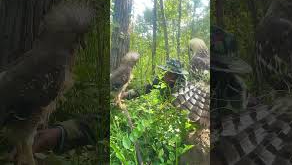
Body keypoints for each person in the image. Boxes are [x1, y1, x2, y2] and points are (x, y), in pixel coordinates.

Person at [30, 59, 188, 154]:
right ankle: (60, 133)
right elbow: (141, 91)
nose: (166, 76)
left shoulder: (181, 91)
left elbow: (178, 112)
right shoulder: (158, 83)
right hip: (139, 121)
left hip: (155, 130)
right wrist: (124, 96)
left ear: (176, 76)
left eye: (169, 73)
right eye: (166, 72)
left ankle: (60, 133)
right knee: (106, 118)